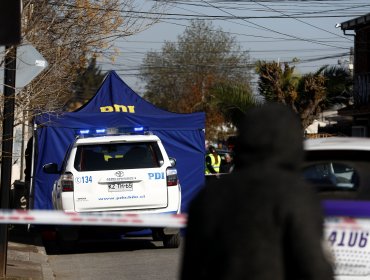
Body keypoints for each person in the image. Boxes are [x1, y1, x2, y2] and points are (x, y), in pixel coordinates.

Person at [181, 103, 334, 280]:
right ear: (292, 142)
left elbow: (191, 270)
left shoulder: (207, 198)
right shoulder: (296, 195)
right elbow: (313, 268)